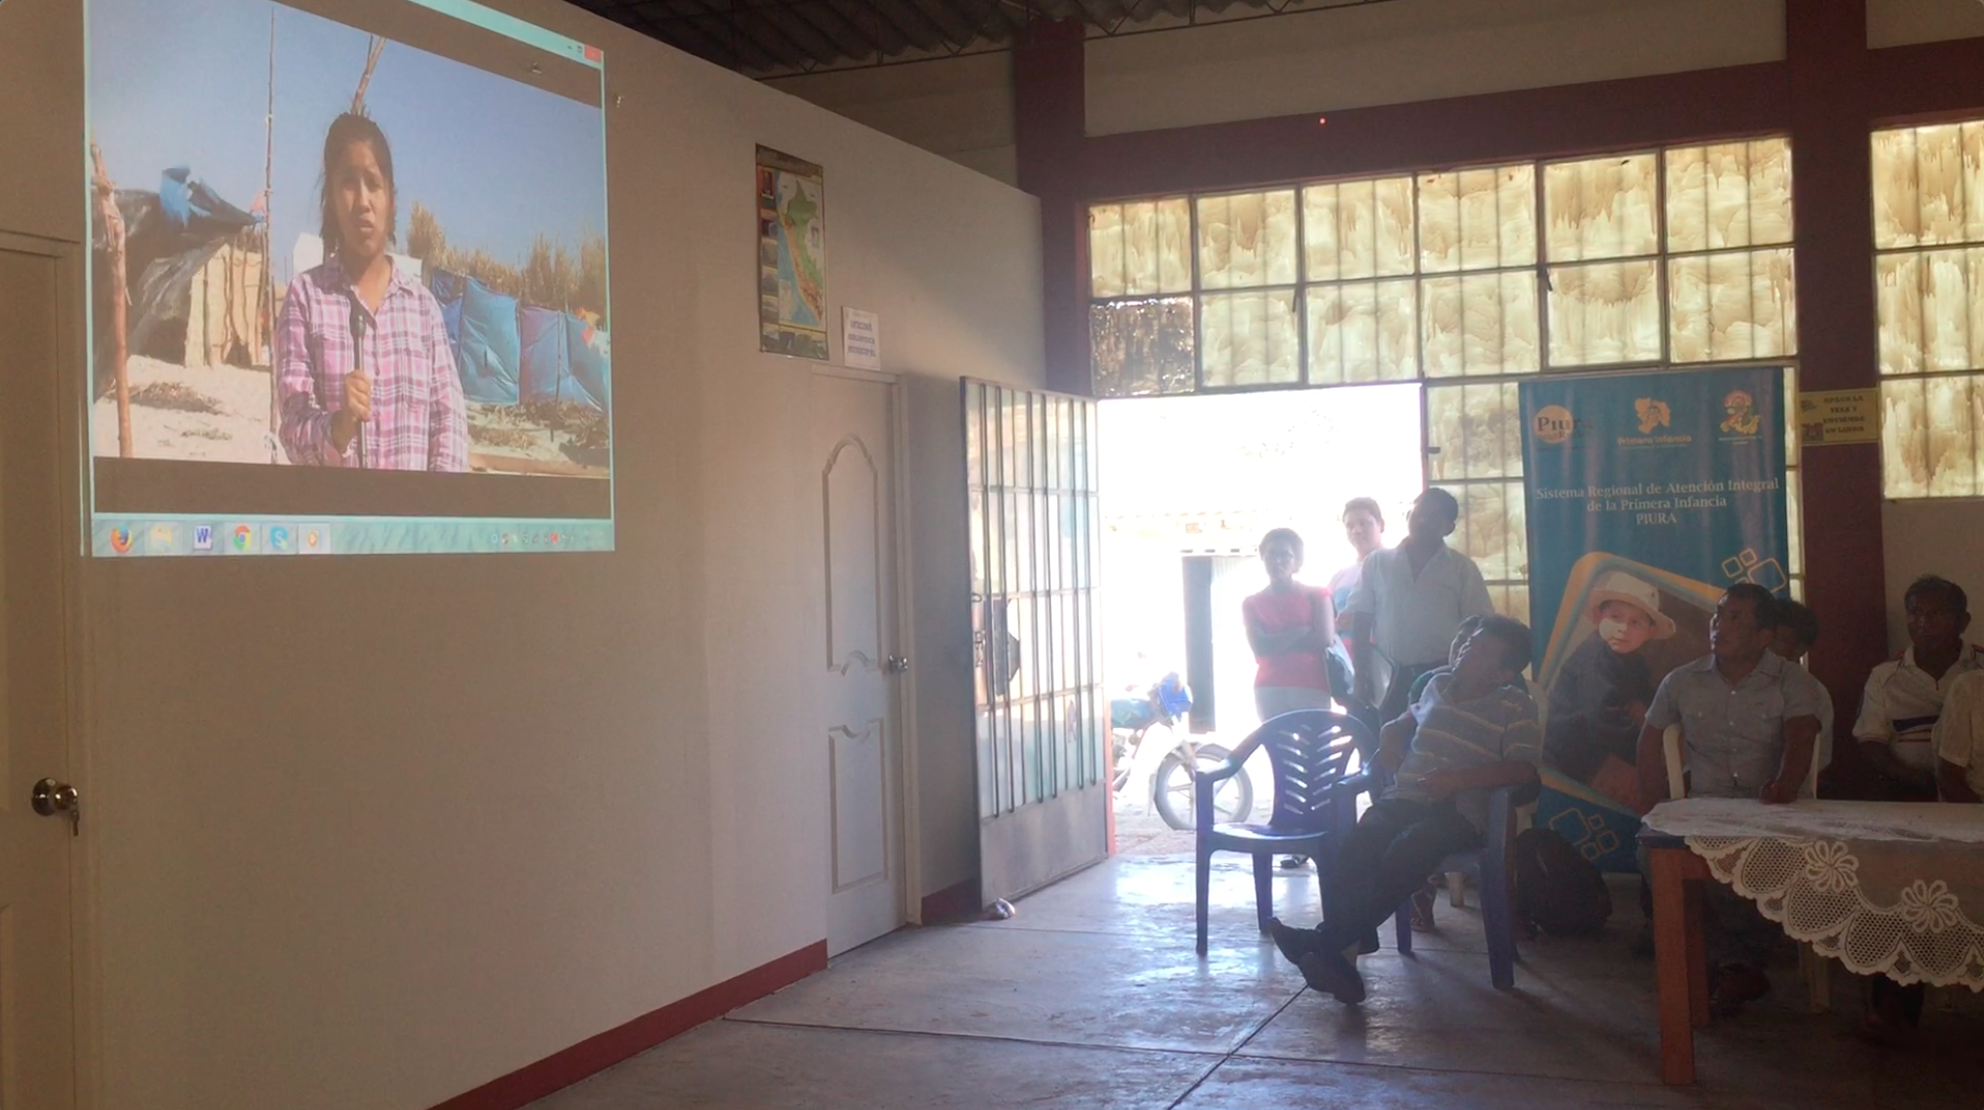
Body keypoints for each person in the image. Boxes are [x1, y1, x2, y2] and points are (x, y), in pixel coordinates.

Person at [1267, 616, 1542, 1004]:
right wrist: (1391, 729)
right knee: (1358, 844)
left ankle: (1323, 943)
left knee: (1406, 851)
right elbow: (1407, 718)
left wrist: (1458, 781)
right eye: (1468, 640)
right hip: (1406, 797)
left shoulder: (1515, 705)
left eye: (1480, 649)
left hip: (1460, 812)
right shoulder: (1438, 684)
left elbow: (1523, 768)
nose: (1465, 647)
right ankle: (1341, 960)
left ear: (1502, 673)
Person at [1634, 584, 1826, 1016]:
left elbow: (1801, 736)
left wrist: (1784, 785)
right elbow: (1649, 740)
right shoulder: (1681, 680)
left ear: (1763, 636)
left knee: (1766, 863)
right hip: (1706, 807)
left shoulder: (1794, 681)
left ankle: (1733, 962)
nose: (1720, 625)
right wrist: (1648, 803)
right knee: (1652, 853)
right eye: (1719, 615)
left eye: (1736, 618)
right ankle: (1736, 961)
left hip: (1773, 810)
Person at [278, 112, 467, 471]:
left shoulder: (422, 308)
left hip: (414, 524)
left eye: (374, 184)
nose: (363, 201)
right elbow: (292, 430)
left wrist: (435, 516)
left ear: (391, 200)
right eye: (348, 183)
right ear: (331, 200)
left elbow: (449, 425)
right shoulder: (305, 298)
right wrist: (339, 425)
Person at [1347, 488, 1495, 734]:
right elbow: (1362, 618)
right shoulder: (1378, 563)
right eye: (1419, 514)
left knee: (1438, 746)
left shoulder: (1461, 569)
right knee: (1391, 746)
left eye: (1435, 517)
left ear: (1449, 527)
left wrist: (1469, 676)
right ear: (1408, 517)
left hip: (1442, 677)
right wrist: (1360, 673)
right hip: (1390, 677)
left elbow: (1478, 624)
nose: (1424, 521)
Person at [1545, 572, 1676, 808]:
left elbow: (1649, 696)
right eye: (1615, 617)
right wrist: (1648, 748)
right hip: (1571, 755)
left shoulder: (1634, 662)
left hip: (1604, 748)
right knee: (1647, 790)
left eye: (1635, 622)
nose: (1624, 629)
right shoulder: (1594, 659)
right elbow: (1601, 718)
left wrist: (1650, 713)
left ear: (1649, 633)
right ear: (1598, 617)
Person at [1853, 576, 1980, 802]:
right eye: (1915, 613)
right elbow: (1871, 742)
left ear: (1963, 621)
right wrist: (1915, 778)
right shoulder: (1885, 676)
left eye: (1936, 614)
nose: (1923, 622)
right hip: (1910, 791)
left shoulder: (1979, 672)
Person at [1243, 528, 1335, 722]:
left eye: (1285, 555)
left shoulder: (1317, 596)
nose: (1277, 561)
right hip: (1269, 688)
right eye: (1271, 555)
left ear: (1297, 561)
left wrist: (1274, 643)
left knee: (1316, 750)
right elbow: (1260, 647)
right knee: (1277, 750)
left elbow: (1324, 639)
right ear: (1263, 558)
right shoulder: (1252, 603)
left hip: (1312, 685)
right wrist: (1302, 631)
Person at [1768, 599, 1833, 788]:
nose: (1766, 644)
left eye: (1777, 639)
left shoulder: (1814, 692)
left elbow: (1818, 761)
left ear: (1799, 649)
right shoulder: (1743, 685)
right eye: (1764, 634)